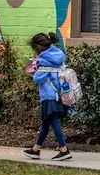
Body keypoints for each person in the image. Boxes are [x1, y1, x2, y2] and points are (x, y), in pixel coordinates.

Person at [23, 32, 72, 161]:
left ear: (38, 48)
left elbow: (38, 79)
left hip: (49, 96)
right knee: (45, 123)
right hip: (57, 94)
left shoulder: (43, 60)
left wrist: (34, 69)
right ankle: (35, 150)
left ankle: (64, 149)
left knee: (54, 122)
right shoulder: (57, 55)